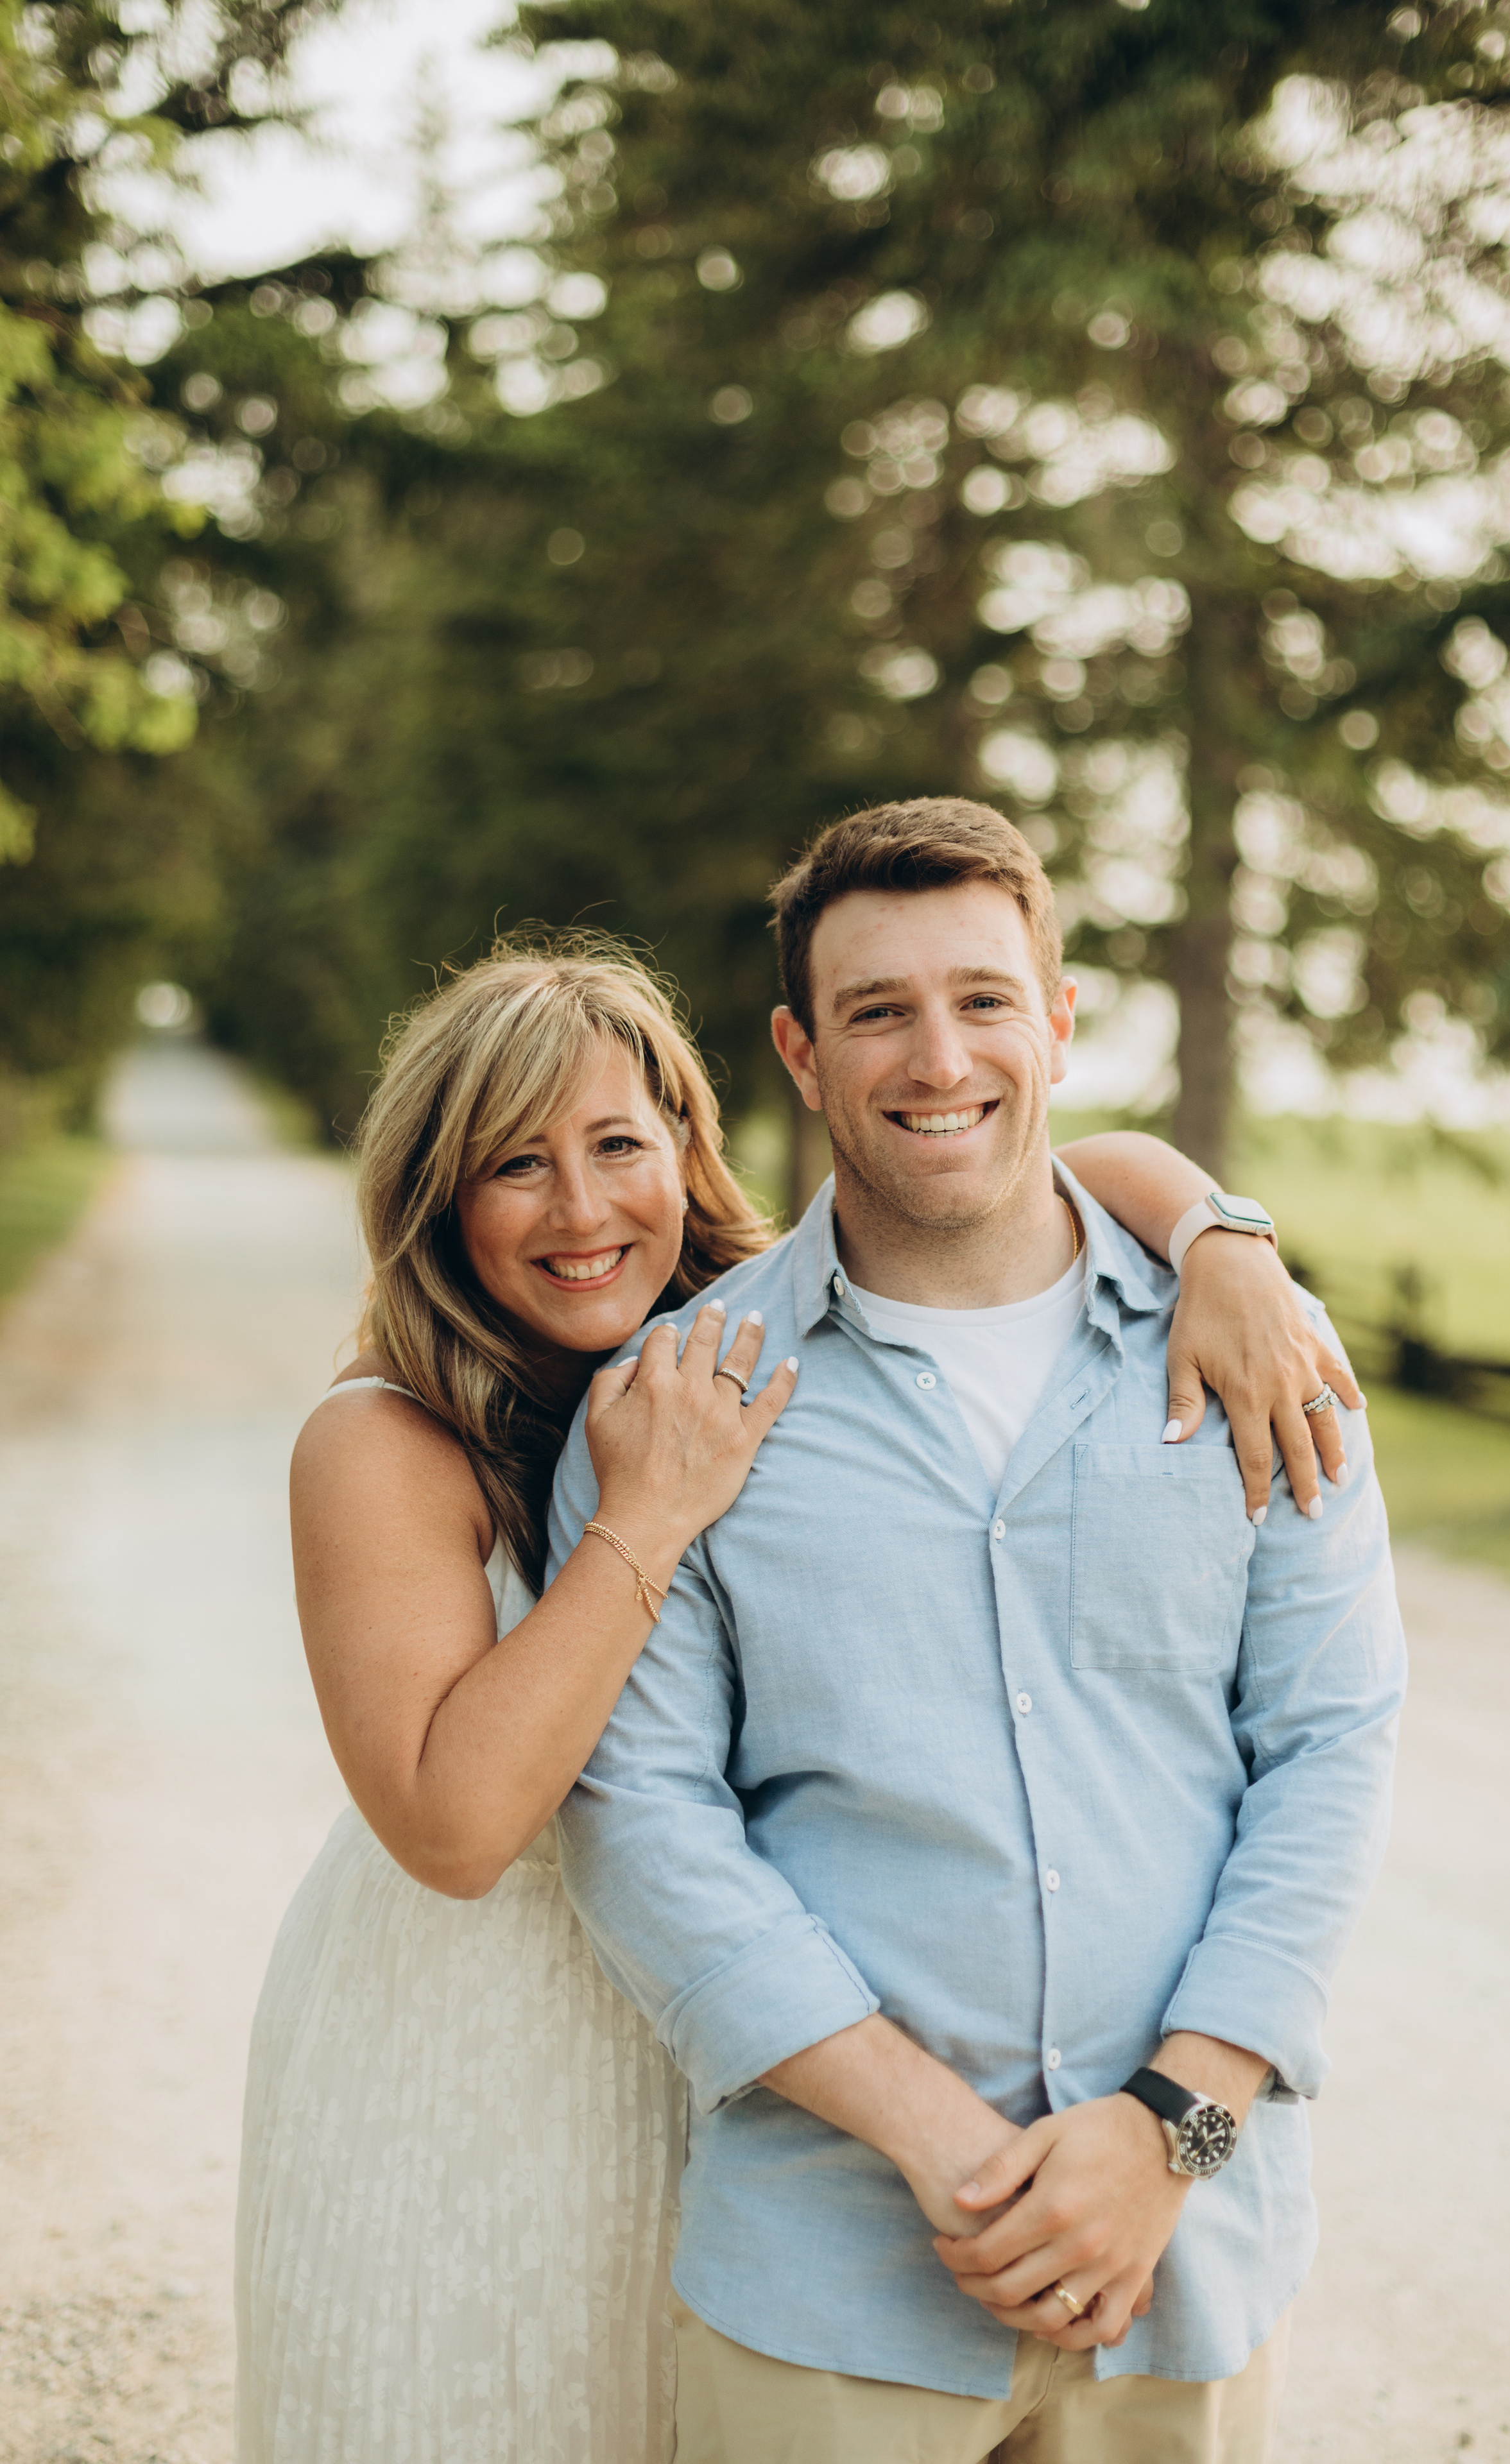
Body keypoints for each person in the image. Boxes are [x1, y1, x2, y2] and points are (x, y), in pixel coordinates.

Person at [237, 927, 1360, 2464]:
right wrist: (640, 1523)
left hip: (740, 2048)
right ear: (437, 1198)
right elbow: (455, 1830)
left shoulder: (735, 1326)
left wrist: (1222, 1235)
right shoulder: (381, 1441)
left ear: (687, 1151)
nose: (580, 1209)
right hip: (479, 2030)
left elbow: (1044, 1149)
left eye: (617, 1146)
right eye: (514, 1166)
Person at [554, 803, 1405, 2464]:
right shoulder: (681, 1399)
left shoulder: (1257, 1349)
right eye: (878, 1012)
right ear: (801, 1053)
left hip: (1193, 2269)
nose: (938, 1056)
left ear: (1062, 1021)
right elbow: (643, 1816)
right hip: (832, 2279)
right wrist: (944, 2146)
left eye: (984, 1000)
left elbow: (1332, 1744)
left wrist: (1175, 2128)